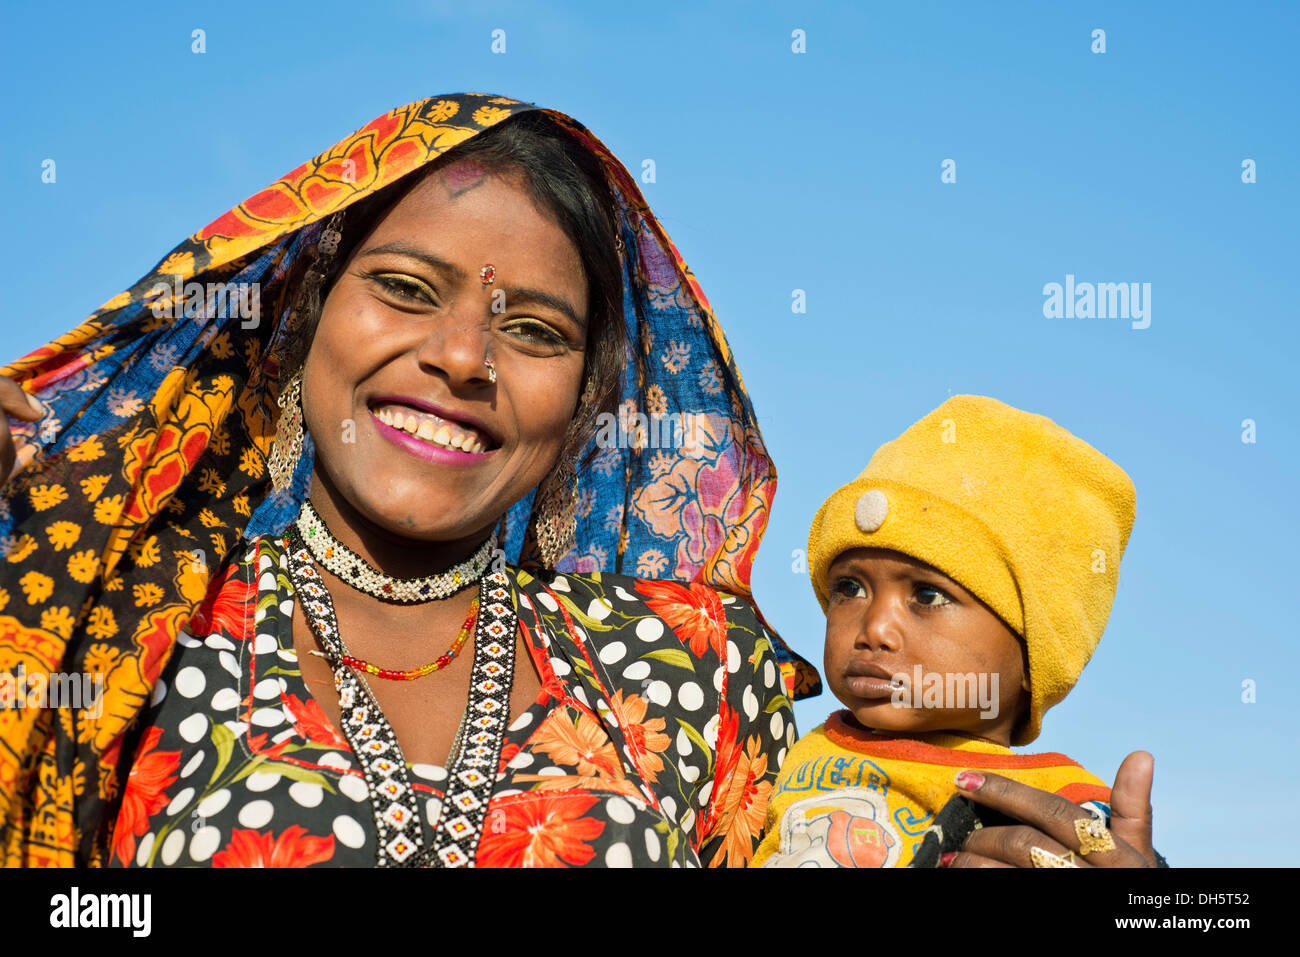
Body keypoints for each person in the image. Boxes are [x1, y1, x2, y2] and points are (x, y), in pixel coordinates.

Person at [0, 93, 821, 867]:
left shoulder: (698, 670)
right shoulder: (114, 625)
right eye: (404, 289)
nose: (463, 357)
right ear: (304, 312)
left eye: (534, 330)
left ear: (584, 402)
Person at [752, 395, 1162, 868]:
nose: (875, 629)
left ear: (1035, 659)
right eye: (849, 587)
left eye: (928, 596)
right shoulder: (788, 756)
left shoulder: (1059, 805)